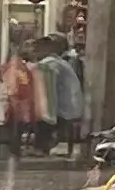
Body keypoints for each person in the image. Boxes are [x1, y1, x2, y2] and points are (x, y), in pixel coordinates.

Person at [34, 33, 87, 161]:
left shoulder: (51, 63)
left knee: (41, 116)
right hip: (71, 106)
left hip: (66, 109)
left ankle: (41, 147)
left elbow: (47, 93)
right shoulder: (59, 62)